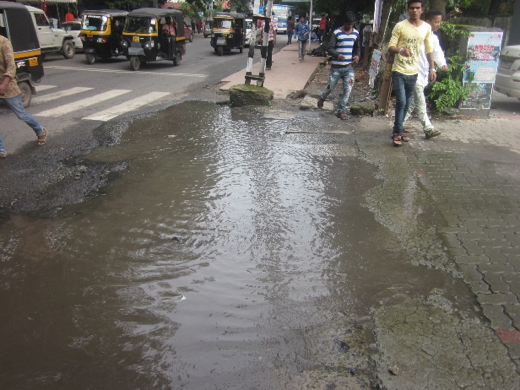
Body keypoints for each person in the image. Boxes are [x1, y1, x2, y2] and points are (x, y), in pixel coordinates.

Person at [388, 0, 435, 147]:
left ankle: (400, 131)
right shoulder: (400, 26)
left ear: (422, 10)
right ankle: (396, 133)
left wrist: (432, 68)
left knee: (407, 103)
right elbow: (391, 46)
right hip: (399, 70)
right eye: (411, 8)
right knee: (401, 101)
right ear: (408, 10)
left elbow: (429, 49)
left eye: (417, 8)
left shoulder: (426, 28)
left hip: (413, 72)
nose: (414, 10)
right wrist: (401, 50)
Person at [0, 35, 47, 159]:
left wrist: (3, 85)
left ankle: (40, 130)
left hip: (8, 86)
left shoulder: (3, 42)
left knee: (21, 114)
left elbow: (11, 66)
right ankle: (1, 149)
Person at [403, 10, 447, 139]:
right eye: (436, 21)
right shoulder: (415, 35)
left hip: (422, 73)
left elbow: (437, 52)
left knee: (411, 102)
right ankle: (428, 128)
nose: (438, 24)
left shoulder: (433, 38)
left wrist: (441, 64)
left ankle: (399, 123)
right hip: (411, 72)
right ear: (428, 22)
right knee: (420, 100)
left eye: (439, 21)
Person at [317, 12, 360, 120]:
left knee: (348, 89)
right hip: (336, 67)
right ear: (344, 23)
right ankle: (322, 98)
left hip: (348, 67)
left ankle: (341, 110)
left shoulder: (356, 33)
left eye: (352, 24)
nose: (350, 26)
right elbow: (329, 48)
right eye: (348, 24)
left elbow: (358, 47)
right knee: (330, 86)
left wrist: (357, 56)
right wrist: (337, 54)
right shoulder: (336, 33)